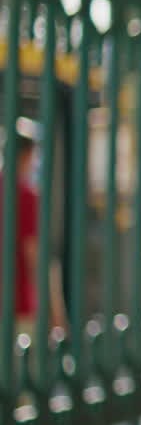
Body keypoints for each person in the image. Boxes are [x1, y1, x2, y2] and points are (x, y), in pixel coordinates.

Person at [2, 133, 67, 338]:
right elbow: (34, 255)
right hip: (20, 303)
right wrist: (55, 311)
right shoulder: (27, 196)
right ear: (25, 157)